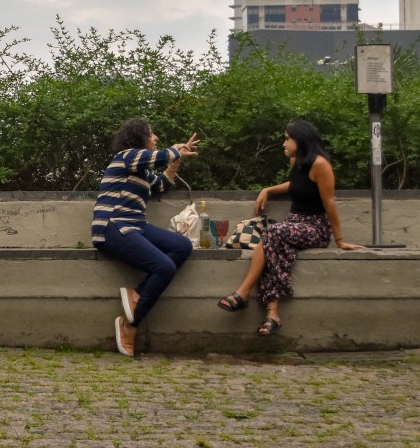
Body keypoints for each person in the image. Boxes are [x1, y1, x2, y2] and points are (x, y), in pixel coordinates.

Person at [217, 120, 363, 335]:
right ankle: (272, 315)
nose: (283, 144)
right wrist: (268, 190)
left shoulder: (320, 164)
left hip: (315, 228)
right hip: (294, 225)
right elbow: (296, 185)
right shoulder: (297, 161)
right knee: (273, 247)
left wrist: (340, 240)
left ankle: (243, 292)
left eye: (287, 138)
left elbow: (329, 202)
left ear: (301, 139)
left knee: (272, 233)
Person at [91, 118, 200, 357]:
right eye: (151, 134)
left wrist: (175, 161)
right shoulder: (126, 157)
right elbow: (159, 156)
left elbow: (160, 184)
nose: (156, 138)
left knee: (182, 245)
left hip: (135, 225)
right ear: (139, 137)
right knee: (164, 267)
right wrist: (176, 149)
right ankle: (130, 325)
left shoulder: (140, 170)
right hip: (113, 225)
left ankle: (136, 295)